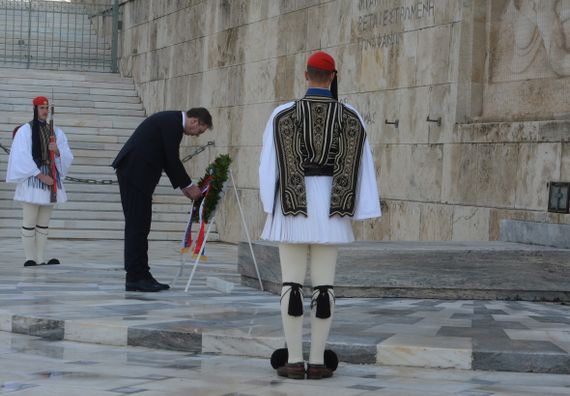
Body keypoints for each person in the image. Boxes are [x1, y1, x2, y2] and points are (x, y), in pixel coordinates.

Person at [259, 51, 381, 379]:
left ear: (305, 75)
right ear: (333, 77)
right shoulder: (351, 115)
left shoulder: (282, 114)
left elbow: (268, 165)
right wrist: (361, 208)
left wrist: (269, 208)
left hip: (292, 206)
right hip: (333, 208)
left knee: (291, 285)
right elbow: (362, 166)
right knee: (325, 288)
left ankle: (294, 360)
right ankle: (317, 362)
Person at [112, 108, 212, 292]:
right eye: (200, 131)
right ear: (195, 122)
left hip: (137, 175)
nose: (197, 135)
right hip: (134, 174)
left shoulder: (171, 122)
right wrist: (189, 186)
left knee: (141, 225)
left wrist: (185, 187)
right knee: (137, 226)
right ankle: (135, 276)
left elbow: (167, 160)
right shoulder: (171, 123)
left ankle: (141, 274)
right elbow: (171, 159)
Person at [6, 96, 74, 267]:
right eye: (41, 107)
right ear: (35, 109)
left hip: (51, 178)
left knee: (43, 223)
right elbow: (22, 156)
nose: (45, 111)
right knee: (29, 221)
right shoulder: (26, 131)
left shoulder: (56, 132)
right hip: (33, 180)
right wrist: (40, 175)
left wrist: (57, 150)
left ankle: (41, 258)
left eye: (46, 107)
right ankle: (30, 258)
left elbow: (67, 155)